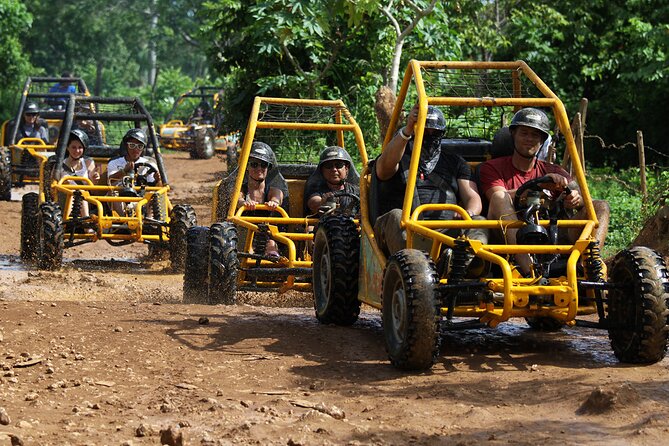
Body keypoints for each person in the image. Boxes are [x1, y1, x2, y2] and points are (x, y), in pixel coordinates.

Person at [479, 107, 610, 274]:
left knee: (600, 206)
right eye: (524, 133)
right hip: (508, 235)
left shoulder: (553, 170)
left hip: (551, 233)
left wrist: (575, 198)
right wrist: (537, 186)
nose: (529, 139)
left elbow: (582, 198)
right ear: (513, 135)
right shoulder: (492, 167)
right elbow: (495, 197)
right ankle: (530, 272)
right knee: (499, 197)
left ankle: (593, 265)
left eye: (535, 135)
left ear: (542, 140)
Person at [373, 104, 488, 256]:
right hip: (405, 229)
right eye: (424, 131)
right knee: (395, 215)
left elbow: (472, 196)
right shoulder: (399, 155)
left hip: (444, 231)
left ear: (442, 134)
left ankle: (463, 264)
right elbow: (383, 170)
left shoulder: (455, 162)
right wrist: (407, 130)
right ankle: (413, 265)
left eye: (434, 132)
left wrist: (469, 212)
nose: (428, 135)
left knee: (479, 222)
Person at [237, 142, 284, 258]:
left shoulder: (272, 190)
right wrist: (244, 203)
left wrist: (274, 202)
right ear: (247, 167)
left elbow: (278, 196)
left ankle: (272, 264)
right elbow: (237, 200)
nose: (259, 168)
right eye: (254, 164)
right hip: (243, 233)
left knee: (271, 244)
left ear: (268, 168)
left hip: (266, 234)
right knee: (247, 248)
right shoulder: (241, 189)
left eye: (263, 165)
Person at [56, 129, 100, 221]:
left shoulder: (88, 162)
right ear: (67, 148)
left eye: (80, 147)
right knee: (76, 194)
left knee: (80, 194)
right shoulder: (60, 164)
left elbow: (92, 184)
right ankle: (64, 223)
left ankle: (86, 226)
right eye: (73, 147)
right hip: (64, 199)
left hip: (85, 198)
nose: (77, 150)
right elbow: (54, 185)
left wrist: (95, 178)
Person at [304, 146, 359, 216]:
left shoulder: (356, 191)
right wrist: (322, 202)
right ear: (322, 170)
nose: (334, 169)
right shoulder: (316, 189)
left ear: (346, 168)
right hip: (324, 225)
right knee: (310, 227)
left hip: (351, 225)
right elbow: (313, 203)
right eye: (328, 166)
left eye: (339, 165)